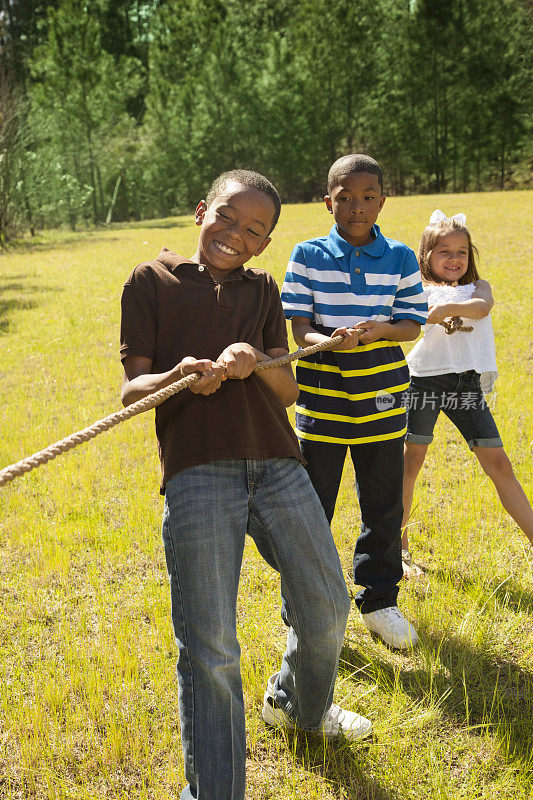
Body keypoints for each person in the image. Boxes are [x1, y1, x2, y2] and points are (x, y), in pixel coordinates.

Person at [119, 169, 372, 800]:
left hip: (279, 464)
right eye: (227, 218)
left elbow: (287, 390)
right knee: (211, 647)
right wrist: (179, 374)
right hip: (198, 472)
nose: (236, 234)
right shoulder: (151, 282)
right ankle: (215, 790)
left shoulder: (263, 289)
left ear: (265, 243)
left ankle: (297, 706)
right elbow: (131, 393)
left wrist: (255, 362)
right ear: (203, 210)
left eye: (254, 229)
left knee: (327, 605)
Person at [281, 154, 427, 650]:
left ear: (382, 201)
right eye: (345, 198)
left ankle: (379, 599)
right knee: (312, 509)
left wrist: (382, 330)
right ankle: (306, 609)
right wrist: (327, 338)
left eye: (368, 198)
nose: (357, 207)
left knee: (383, 505)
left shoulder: (403, 257)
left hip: (383, 400)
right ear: (329, 202)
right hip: (322, 403)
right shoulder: (306, 255)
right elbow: (299, 328)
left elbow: (411, 323)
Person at [401, 210, 533, 570]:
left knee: (499, 463)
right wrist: (433, 309)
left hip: (467, 386)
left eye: (462, 251)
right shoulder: (418, 290)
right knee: (410, 463)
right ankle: (399, 548)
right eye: (444, 251)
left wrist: (447, 307)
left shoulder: (479, 288)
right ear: (426, 255)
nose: (455, 258)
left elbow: (482, 307)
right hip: (423, 382)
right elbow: (413, 319)